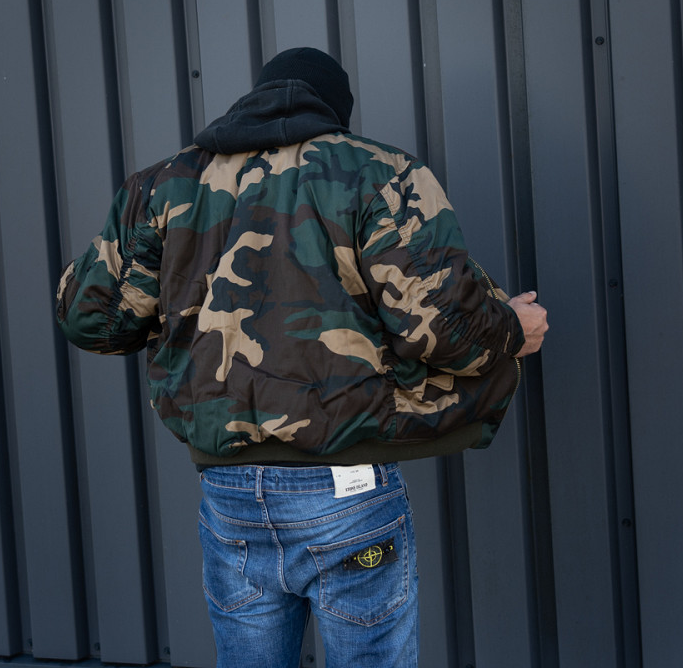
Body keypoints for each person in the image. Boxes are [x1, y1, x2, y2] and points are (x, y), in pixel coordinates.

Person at [56, 47, 548, 668]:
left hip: (229, 493)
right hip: (346, 491)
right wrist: (512, 328)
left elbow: (90, 317)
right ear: (334, 112)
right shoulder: (378, 173)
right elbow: (446, 329)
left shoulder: (162, 185)